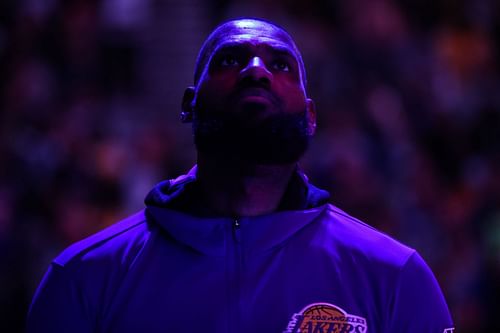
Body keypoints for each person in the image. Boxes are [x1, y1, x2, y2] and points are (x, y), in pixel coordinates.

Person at [27, 18, 455, 333]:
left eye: (281, 66)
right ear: (189, 105)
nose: (256, 70)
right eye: (230, 59)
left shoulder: (395, 277)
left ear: (310, 116)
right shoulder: (84, 279)